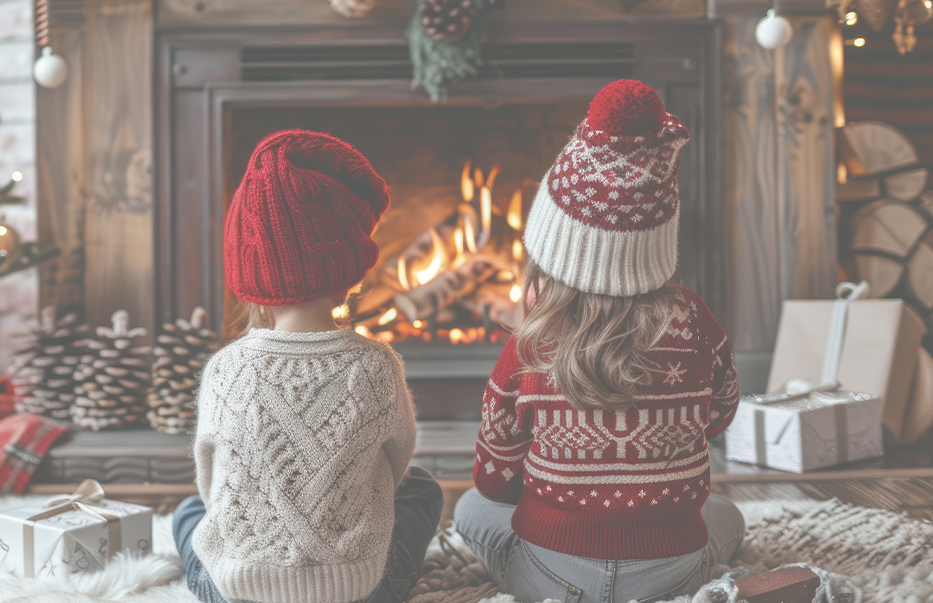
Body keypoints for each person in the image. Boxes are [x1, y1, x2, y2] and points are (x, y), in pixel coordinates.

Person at [454, 79, 745, 603]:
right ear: (658, 242)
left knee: (469, 509)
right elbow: (720, 413)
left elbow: (493, 478)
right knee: (726, 513)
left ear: (549, 244)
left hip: (551, 576)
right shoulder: (694, 318)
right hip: (670, 571)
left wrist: (569, 488)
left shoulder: (530, 343)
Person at [172, 129, 444, 603]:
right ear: (348, 274)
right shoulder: (375, 365)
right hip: (359, 591)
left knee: (189, 510)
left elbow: (211, 482)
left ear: (248, 276)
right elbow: (396, 466)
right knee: (421, 490)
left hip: (237, 592)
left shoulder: (226, 369)